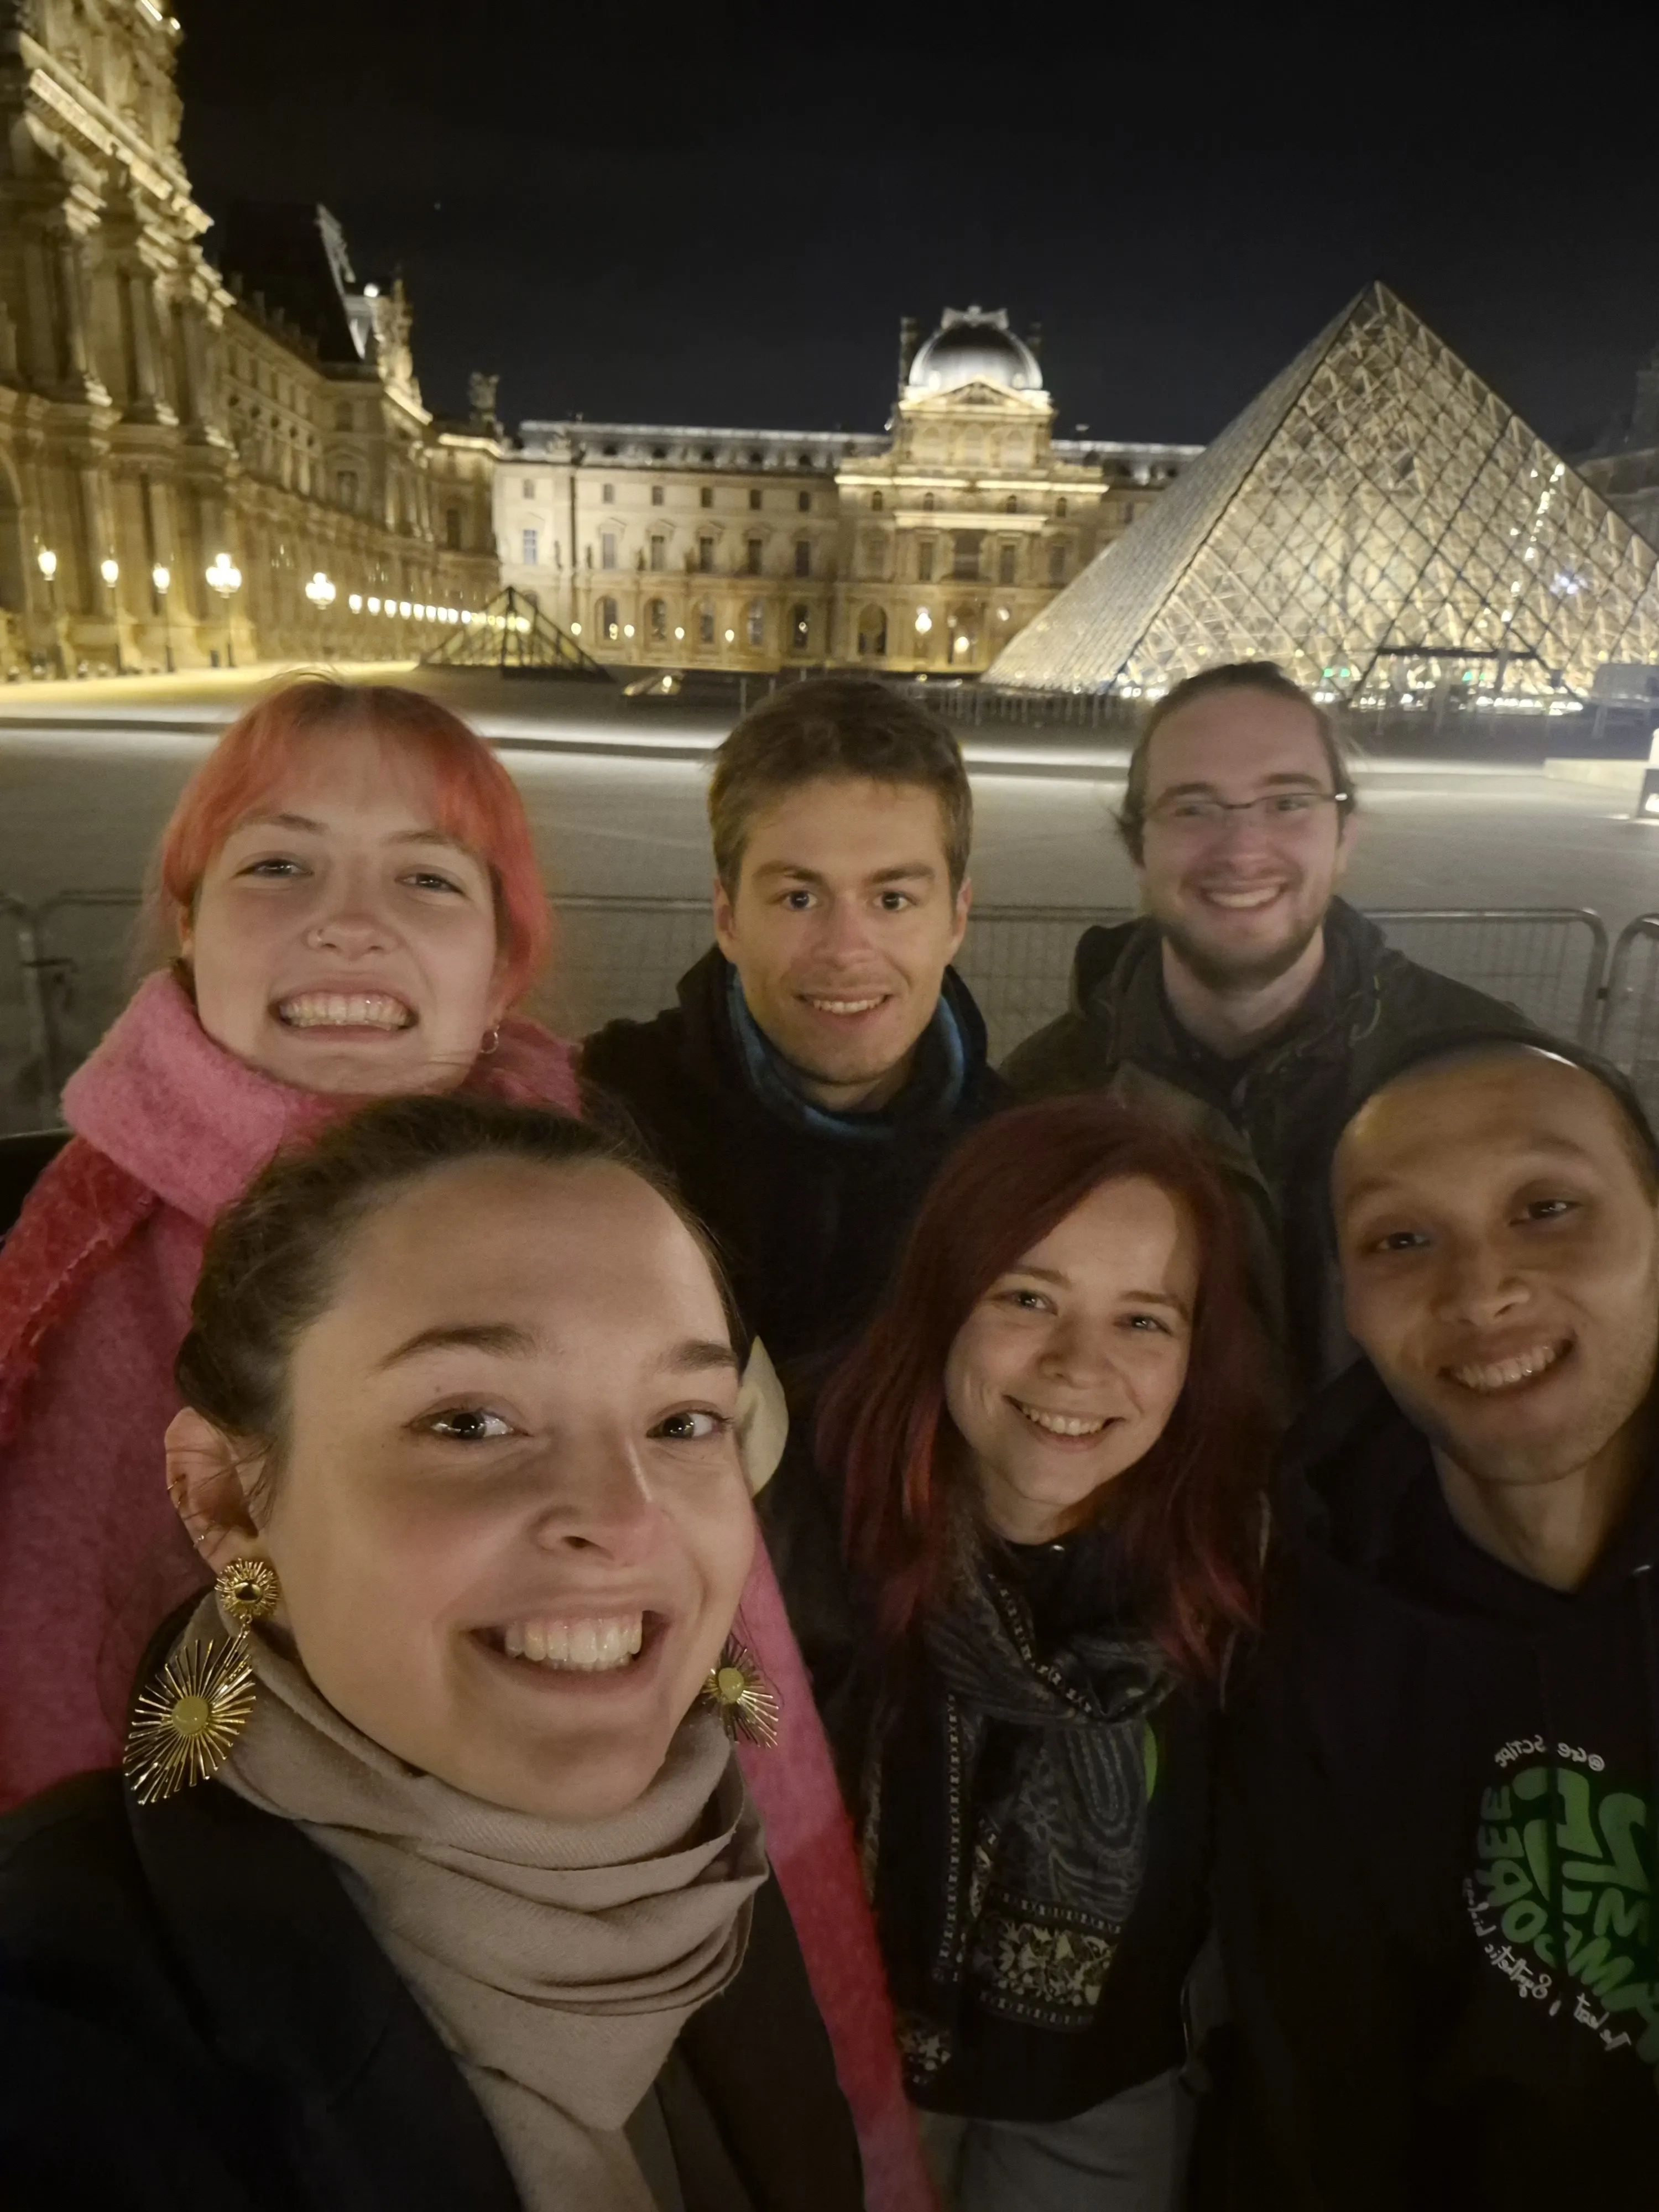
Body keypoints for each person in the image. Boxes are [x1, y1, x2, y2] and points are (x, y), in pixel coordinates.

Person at [0, 1095, 929, 2211]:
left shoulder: (698, 1855)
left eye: (682, 1420)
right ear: (229, 1498)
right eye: (472, 1422)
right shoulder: (59, 2028)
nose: (623, 1520)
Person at [0, 678, 581, 1812]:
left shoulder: (614, 1244)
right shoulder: (65, 1271)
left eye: (425, 875)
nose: (349, 921)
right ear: (189, 921)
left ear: (502, 967)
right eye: (278, 864)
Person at [1219, 1039, 1659, 2209]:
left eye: (1548, 1206)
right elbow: (1317, 2091)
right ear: (1347, 1299)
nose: (1481, 1292)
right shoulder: (1311, 1633)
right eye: (1402, 1239)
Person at [822, 1096, 1278, 2211]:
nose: (1080, 1363)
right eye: (1028, 1298)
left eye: (1143, 1320)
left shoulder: (1241, 1560)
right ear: (945, 1304)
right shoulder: (813, 1512)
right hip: (850, 2062)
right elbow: (752, 1720)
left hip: (1106, 2081)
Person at [1003, 661, 1535, 1384]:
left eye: (1287, 802)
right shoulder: (1033, 1103)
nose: (1243, 850)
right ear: (1139, 849)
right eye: (1194, 808)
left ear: (1345, 834)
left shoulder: (1497, 1076)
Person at [580, 675, 1006, 1374]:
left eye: (893, 898)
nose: (845, 949)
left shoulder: (1018, 1166)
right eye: (799, 896)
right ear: (727, 917)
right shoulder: (597, 1126)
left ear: (957, 918)